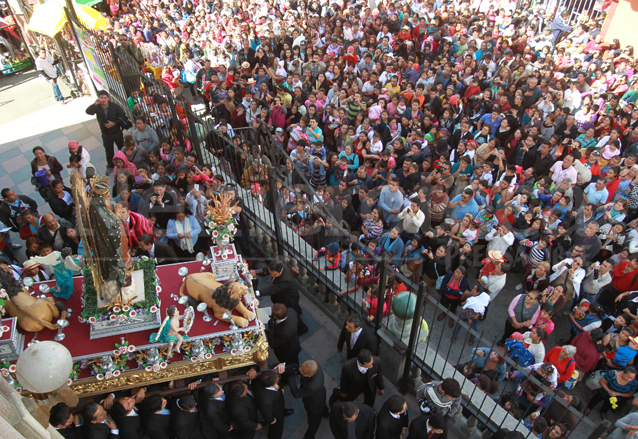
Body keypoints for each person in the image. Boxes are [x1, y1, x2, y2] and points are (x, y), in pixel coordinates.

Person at [252, 260, 308, 335]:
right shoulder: (279, 266)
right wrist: (256, 271)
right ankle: (299, 311)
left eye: (274, 275)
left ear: (280, 272)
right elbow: (268, 269)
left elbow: (272, 290)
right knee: (295, 308)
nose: (272, 276)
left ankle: (302, 328)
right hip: (286, 295)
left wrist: (256, 292)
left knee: (292, 314)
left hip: (289, 299)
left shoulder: (285, 280)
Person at [86, 90, 128, 175]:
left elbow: (122, 115)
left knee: (121, 148)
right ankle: (110, 165)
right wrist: (95, 104)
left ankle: (125, 162)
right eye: (101, 98)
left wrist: (114, 123)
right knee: (109, 151)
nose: (103, 100)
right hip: (106, 134)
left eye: (105, 98)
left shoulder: (114, 106)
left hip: (116, 131)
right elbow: (88, 111)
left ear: (108, 98)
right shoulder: (97, 107)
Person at [253, 370, 291, 439]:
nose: (278, 379)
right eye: (276, 379)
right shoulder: (265, 399)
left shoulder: (260, 382)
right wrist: (271, 420)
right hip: (275, 412)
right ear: (270, 385)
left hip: (278, 405)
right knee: (277, 426)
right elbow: (266, 412)